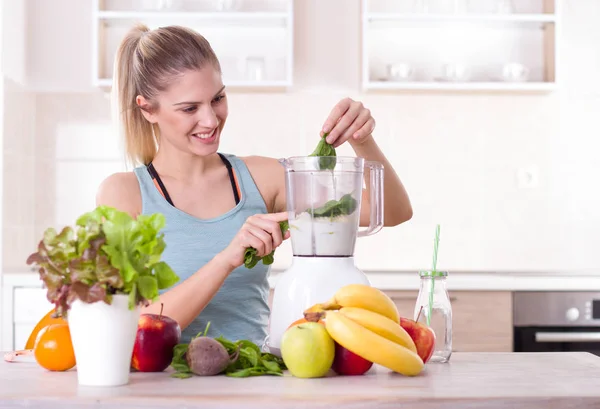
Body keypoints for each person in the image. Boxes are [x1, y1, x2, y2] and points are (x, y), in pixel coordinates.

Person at [96, 23, 413, 346]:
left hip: (254, 383)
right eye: (190, 108)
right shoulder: (124, 194)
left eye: (217, 98)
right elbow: (132, 326)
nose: (210, 120)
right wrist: (226, 259)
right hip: (164, 388)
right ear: (148, 109)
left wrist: (362, 139)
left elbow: (392, 212)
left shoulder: (260, 179)